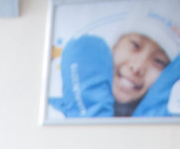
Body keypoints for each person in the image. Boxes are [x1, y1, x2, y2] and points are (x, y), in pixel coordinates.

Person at [49, 6, 180, 119]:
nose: (137, 67)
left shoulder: (167, 120)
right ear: (115, 46)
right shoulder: (52, 112)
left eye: (158, 61)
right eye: (135, 45)